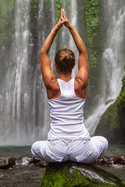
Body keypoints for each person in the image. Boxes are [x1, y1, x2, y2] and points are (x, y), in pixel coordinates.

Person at [31, 9, 108, 163]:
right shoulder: (80, 84)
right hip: (81, 148)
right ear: (74, 65)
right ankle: (90, 161)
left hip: (56, 149)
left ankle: (52, 150)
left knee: (34, 147)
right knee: (103, 141)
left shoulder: (52, 85)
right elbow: (83, 51)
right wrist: (70, 26)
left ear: (55, 66)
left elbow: (43, 52)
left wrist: (57, 27)